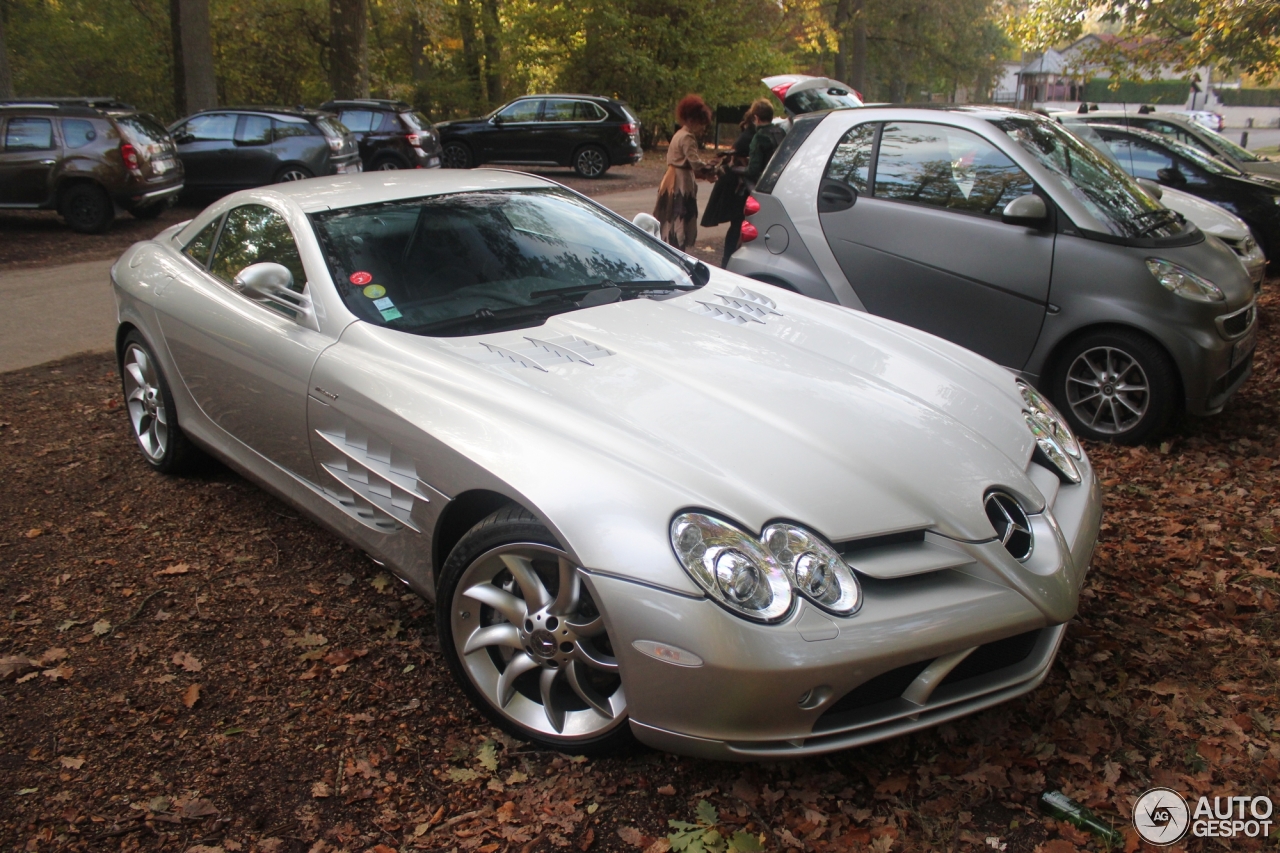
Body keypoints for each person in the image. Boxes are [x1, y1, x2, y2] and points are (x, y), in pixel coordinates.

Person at [701, 99, 769, 266]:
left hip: (741, 186)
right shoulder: (752, 136)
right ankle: (727, 262)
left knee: (739, 224)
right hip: (739, 187)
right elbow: (733, 159)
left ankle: (729, 261)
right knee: (738, 224)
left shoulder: (755, 134)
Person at [653, 95, 717, 250]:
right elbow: (694, 163)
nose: (702, 128)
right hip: (680, 181)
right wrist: (712, 169)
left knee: (671, 216)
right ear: (692, 119)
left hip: (671, 178)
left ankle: (671, 244)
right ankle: (677, 247)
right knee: (680, 215)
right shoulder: (687, 137)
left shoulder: (678, 134)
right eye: (701, 123)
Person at [746, 100, 786, 184]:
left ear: (756, 118)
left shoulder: (759, 137)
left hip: (766, 183)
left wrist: (736, 169)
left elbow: (753, 170)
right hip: (782, 179)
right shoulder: (781, 132)